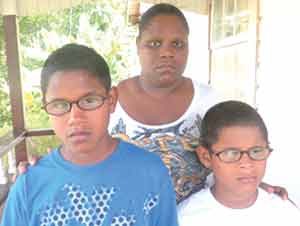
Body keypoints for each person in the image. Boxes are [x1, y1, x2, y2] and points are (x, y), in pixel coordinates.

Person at [17, 3, 287, 204]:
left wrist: (254, 185)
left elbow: (232, 153)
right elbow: (79, 152)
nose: (167, 52)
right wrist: (38, 168)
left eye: (177, 44)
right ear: (138, 46)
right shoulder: (106, 103)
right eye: (154, 43)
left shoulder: (209, 102)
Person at [0, 43, 179, 226]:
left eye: (89, 100)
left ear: (111, 100)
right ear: (46, 106)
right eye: (60, 105)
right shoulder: (29, 186)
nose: (75, 118)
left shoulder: (150, 173)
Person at [177, 100, 300, 226]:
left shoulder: (286, 214)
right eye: (231, 153)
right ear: (206, 157)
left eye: (256, 151)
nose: (246, 163)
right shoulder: (185, 218)